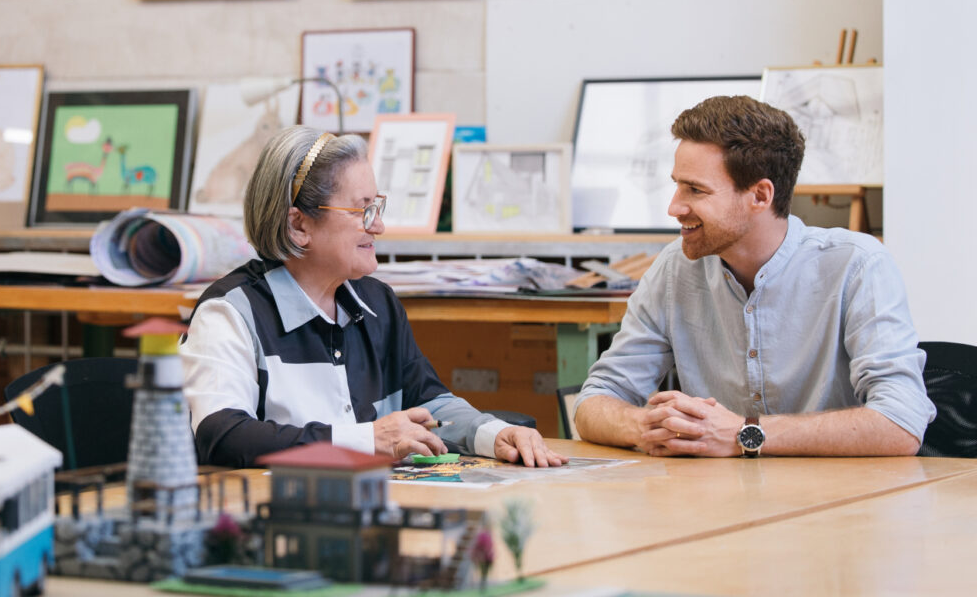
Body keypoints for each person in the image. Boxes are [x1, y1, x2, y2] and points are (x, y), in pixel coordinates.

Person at [182, 126, 568, 468]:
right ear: (298, 225)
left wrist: (493, 433)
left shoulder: (377, 303)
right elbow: (222, 435)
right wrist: (368, 440)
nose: (379, 226)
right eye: (362, 210)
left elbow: (429, 404)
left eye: (377, 207)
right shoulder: (229, 314)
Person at [573, 95, 935, 458]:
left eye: (695, 189)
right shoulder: (674, 268)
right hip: (719, 502)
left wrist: (744, 434)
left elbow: (901, 422)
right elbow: (594, 403)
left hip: (843, 503)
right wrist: (646, 426)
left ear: (760, 195)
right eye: (677, 185)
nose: (674, 207)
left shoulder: (857, 265)